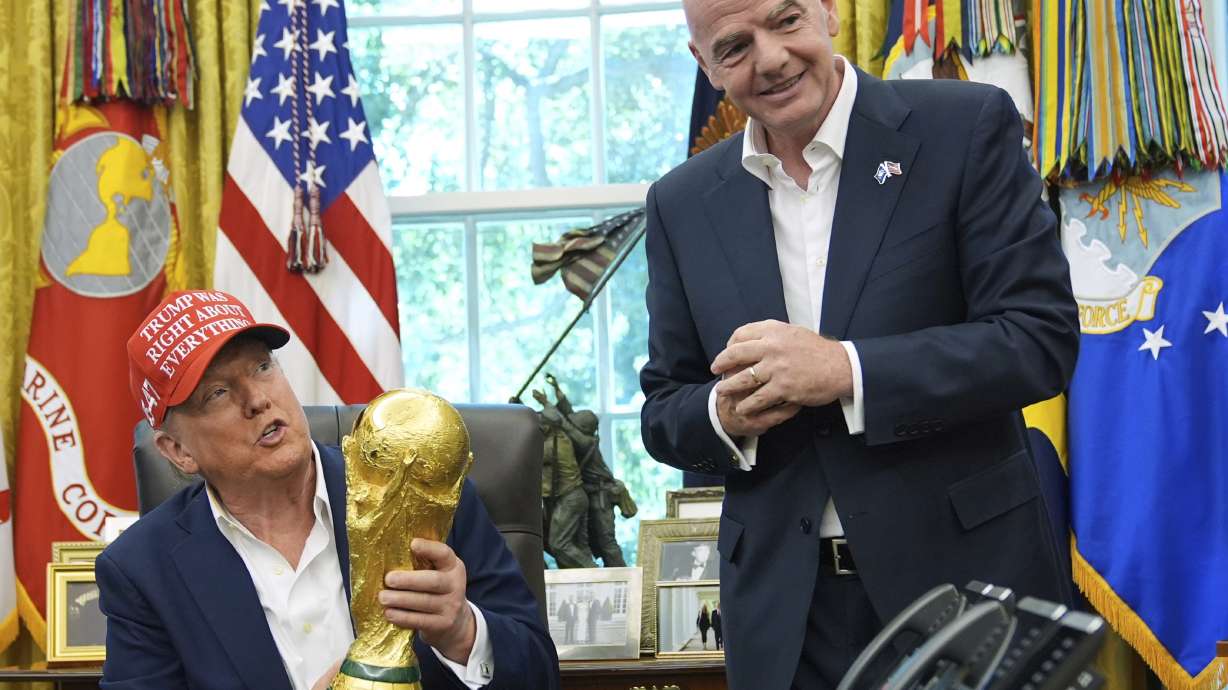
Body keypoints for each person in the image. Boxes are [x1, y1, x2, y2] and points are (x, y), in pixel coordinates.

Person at [639, 1, 1079, 688]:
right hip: (784, 618)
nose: (771, 59)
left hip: (964, 588)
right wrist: (723, 414)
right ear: (705, 65)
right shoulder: (680, 202)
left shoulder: (963, 127)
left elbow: (1037, 338)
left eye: (786, 20)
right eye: (734, 46)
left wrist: (846, 370)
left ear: (828, 11)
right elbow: (665, 406)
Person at [98, 290, 560, 690]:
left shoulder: (423, 494)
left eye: (262, 367)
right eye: (217, 393)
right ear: (178, 450)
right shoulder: (142, 570)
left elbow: (540, 674)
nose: (258, 399)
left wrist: (462, 632)